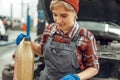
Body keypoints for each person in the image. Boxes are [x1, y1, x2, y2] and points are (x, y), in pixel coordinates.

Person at [16, 0, 99, 80]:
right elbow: (41, 51)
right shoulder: (49, 29)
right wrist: (27, 42)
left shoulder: (86, 37)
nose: (58, 20)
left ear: (75, 13)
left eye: (64, 16)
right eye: (55, 15)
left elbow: (93, 68)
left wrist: (77, 77)